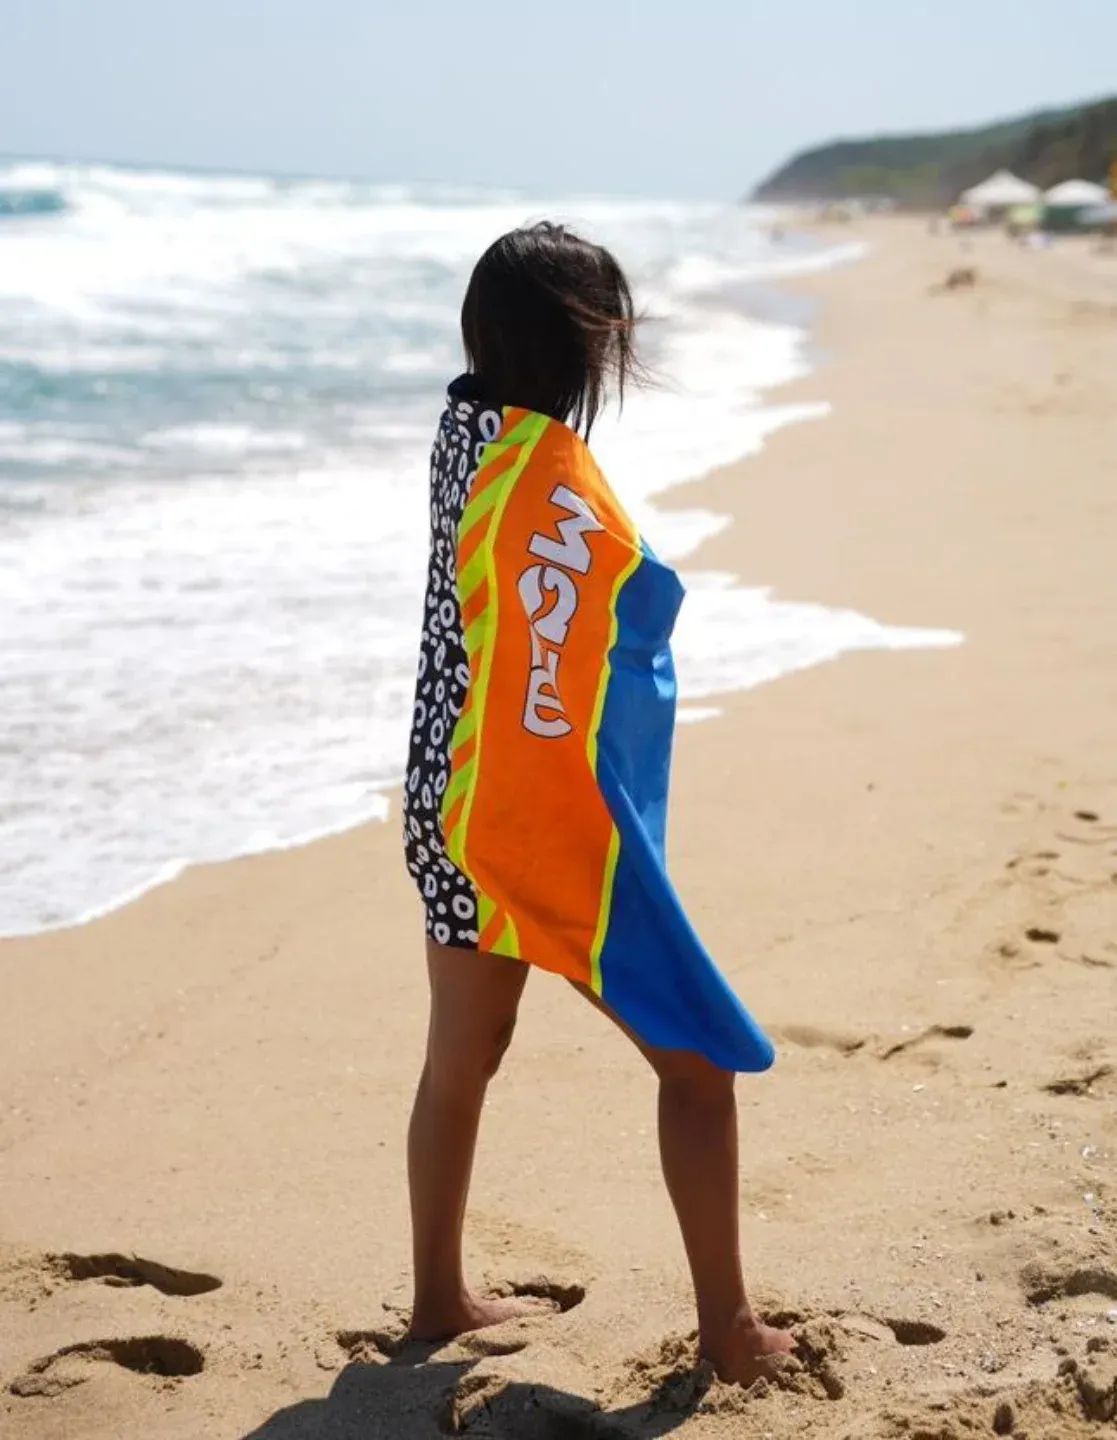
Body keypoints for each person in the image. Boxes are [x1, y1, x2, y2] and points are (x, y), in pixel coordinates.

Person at [402, 221, 792, 1385]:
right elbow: (597, 634)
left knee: (462, 1053)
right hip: (524, 814)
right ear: (584, 347)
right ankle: (728, 1332)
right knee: (697, 1061)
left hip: (445, 794)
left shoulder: (466, 437)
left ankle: (436, 1298)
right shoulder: (541, 470)